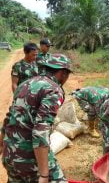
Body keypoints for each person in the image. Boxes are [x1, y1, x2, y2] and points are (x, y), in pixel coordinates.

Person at [0, 54, 72, 183]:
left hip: (10, 154)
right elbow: (40, 132)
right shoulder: (54, 90)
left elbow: (9, 118)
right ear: (63, 73)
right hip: (29, 159)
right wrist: (44, 174)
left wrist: (2, 147)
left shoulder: (25, 84)